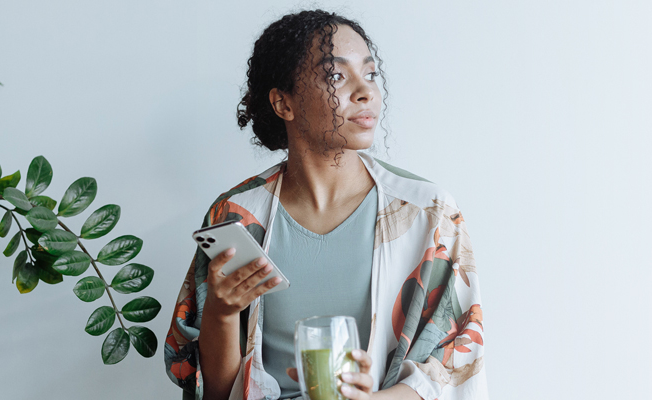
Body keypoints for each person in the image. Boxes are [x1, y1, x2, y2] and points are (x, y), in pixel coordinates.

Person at [163, 10, 488, 400]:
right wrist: (221, 311)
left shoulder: (428, 213)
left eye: (370, 74)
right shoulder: (235, 216)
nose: (365, 91)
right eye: (336, 76)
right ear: (284, 104)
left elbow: (453, 366)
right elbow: (212, 390)